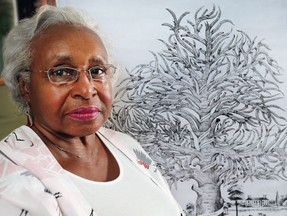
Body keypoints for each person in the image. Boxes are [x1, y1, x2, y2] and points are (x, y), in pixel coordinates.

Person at [0, 5, 185, 216]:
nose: (87, 90)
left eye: (97, 71)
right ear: (25, 86)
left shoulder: (125, 146)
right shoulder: (9, 181)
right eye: (61, 72)